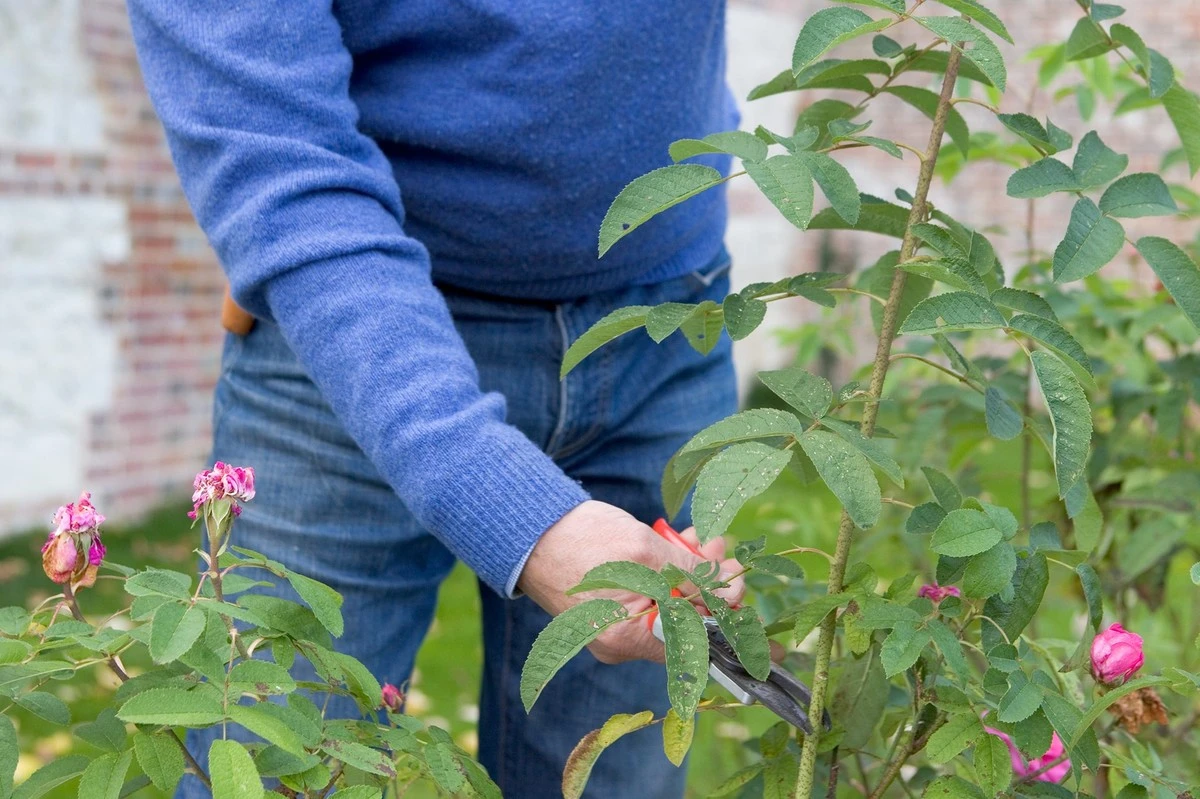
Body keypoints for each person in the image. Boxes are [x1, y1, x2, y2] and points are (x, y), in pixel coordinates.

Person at [126, 2, 744, 796]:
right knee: (274, 756)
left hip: (663, 316)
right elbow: (275, 157)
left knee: (613, 776)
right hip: (351, 335)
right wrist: (520, 516)